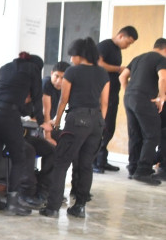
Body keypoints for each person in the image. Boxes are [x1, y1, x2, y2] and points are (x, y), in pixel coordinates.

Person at [41, 38, 109, 218]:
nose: (71, 59)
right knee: (86, 165)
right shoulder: (103, 73)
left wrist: (56, 121)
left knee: (62, 162)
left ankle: (53, 207)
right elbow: (105, 102)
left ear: (81, 55)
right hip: (97, 122)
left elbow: (64, 99)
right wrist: (100, 122)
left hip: (77, 119)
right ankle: (79, 207)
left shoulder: (73, 72)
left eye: (73, 55)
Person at [0, 53, 52, 216]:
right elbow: (37, 97)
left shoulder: (5, 68)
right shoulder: (33, 70)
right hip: (7, 114)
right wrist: (42, 121)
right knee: (19, 157)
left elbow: (10, 91)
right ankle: (12, 204)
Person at [119, 38, 166, 185]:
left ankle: (133, 168)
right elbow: (163, 78)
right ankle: (143, 171)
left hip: (129, 99)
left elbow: (122, 76)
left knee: (135, 135)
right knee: (152, 135)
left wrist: (129, 92)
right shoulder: (161, 59)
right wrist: (162, 97)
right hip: (145, 99)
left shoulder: (138, 58)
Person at [94, 26, 138, 173]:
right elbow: (98, 63)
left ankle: (102, 160)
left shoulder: (117, 50)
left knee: (108, 129)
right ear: (120, 36)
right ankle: (93, 162)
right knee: (100, 127)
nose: (128, 46)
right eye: (128, 42)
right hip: (102, 94)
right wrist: (119, 69)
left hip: (113, 93)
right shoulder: (105, 45)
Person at [42, 62, 70, 143]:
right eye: (56, 76)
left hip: (48, 122)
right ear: (51, 73)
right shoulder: (46, 83)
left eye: (63, 78)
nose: (58, 81)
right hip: (35, 123)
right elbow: (45, 112)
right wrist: (47, 137)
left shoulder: (66, 87)